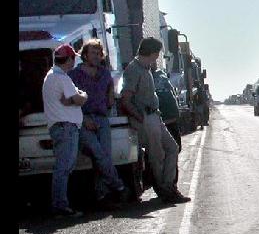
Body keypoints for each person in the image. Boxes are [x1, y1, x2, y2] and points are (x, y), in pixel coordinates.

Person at [120, 38, 190, 203]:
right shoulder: (134, 69)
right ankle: (166, 190)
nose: (158, 55)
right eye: (157, 52)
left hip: (155, 116)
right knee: (156, 156)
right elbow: (126, 99)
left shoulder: (146, 69)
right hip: (146, 118)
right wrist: (140, 118)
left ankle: (168, 185)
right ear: (151, 52)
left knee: (172, 148)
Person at [68, 39, 130, 208]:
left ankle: (103, 195)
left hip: (102, 118)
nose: (96, 56)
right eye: (93, 53)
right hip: (83, 119)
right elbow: (70, 102)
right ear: (85, 55)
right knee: (98, 153)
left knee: (105, 157)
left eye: (99, 53)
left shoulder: (105, 73)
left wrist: (110, 94)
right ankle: (119, 186)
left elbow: (110, 97)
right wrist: (83, 119)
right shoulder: (74, 75)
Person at [41, 44, 86, 217]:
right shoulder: (62, 78)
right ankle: (60, 205)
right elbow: (78, 99)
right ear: (68, 59)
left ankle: (61, 203)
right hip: (66, 127)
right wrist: (83, 95)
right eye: (73, 58)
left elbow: (70, 100)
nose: (74, 61)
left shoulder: (51, 76)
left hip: (59, 126)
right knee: (64, 167)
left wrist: (75, 98)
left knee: (63, 166)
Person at [152, 65, 182, 188]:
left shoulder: (160, 72)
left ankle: (171, 185)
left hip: (172, 118)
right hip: (161, 121)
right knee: (164, 154)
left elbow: (171, 92)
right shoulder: (142, 74)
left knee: (176, 149)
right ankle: (168, 185)